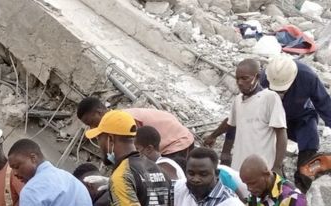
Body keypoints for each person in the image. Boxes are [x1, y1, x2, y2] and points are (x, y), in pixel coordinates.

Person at [207, 55, 331, 191]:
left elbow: (325, 105)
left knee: (309, 142)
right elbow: (240, 117)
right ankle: (273, 174)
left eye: (282, 90)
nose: (279, 94)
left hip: (301, 117)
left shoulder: (308, 77)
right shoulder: (262, 79)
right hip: (271, 119)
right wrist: (226, 150)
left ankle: (303, 183)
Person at [202, 59, 288, 173]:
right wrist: (214, 137)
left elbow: (281, 132)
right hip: (239, 166)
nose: (240, 83)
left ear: (257, 77)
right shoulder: (238, 100)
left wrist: (277, 166)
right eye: (237, 79)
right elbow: (230, 123)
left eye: (245, 78)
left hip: (262, 167)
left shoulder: (270, 98)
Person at [77, 97, 194, 166]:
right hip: (168, 142)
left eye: (91, 122)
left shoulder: (125, 119)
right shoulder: (115, 120)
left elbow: (134, 151)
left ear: (99, 112)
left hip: (177, 143)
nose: (93, 127)